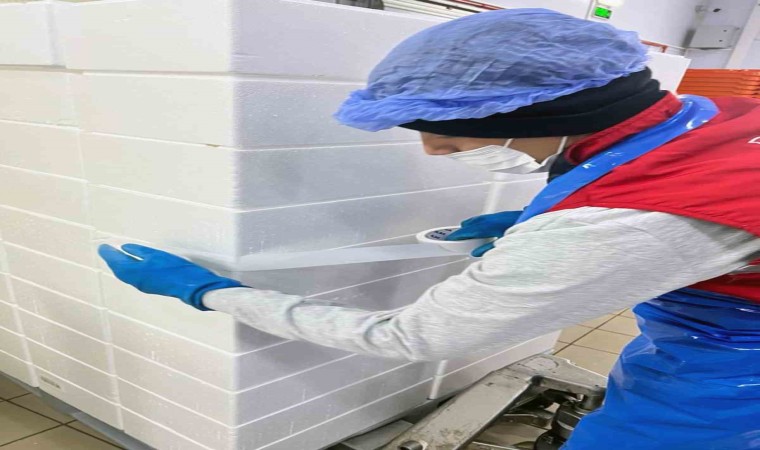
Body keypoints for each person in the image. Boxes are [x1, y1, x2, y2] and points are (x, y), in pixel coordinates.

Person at [99, 9, 760, 449]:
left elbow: (410, 336)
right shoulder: (701, 118)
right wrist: (532, 225)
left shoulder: (626, 220)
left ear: (544, 114)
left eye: (446, 131)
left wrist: (207, 291)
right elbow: (667, 219)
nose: (433, 150)